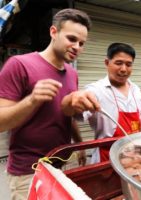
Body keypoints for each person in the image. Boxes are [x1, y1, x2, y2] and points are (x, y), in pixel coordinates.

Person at [0, 8, 92, 200]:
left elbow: (65, 113)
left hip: (59, 164)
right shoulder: (19, 64)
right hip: (28, 171)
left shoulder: (72, 73)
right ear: (53, 32)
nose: (77, 47)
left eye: (82, 43)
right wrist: (31, 100)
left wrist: (79, 144)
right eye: (71, 39)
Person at [61, 43, 141, 163]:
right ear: (107, 63)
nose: (123, 69)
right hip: (107, 158)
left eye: (128, 64)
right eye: (118, 63)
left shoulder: (136, 89)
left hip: (134, 157)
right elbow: (70, 113)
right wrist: (71, 100)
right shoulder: (96, 90)